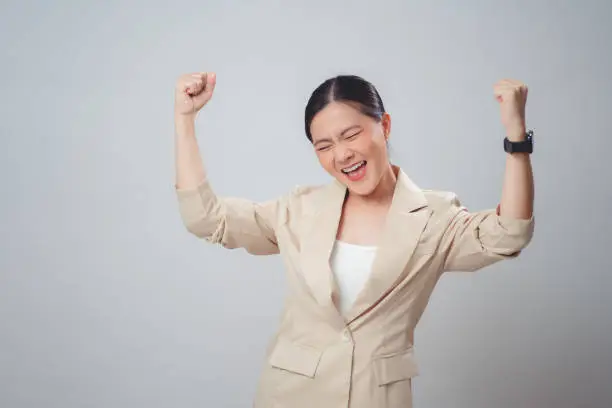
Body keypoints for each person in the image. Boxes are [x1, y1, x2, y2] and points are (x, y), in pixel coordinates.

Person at [173, 72, 535, 408]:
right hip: (290, 395)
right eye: (324, 146)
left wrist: (516, 138)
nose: (341, 154)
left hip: (375, 396)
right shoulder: (299, 210)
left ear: (385, 126)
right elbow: (208, 219)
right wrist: (184, 120)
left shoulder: (434, 217)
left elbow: (508, 233)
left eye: (351, 135)